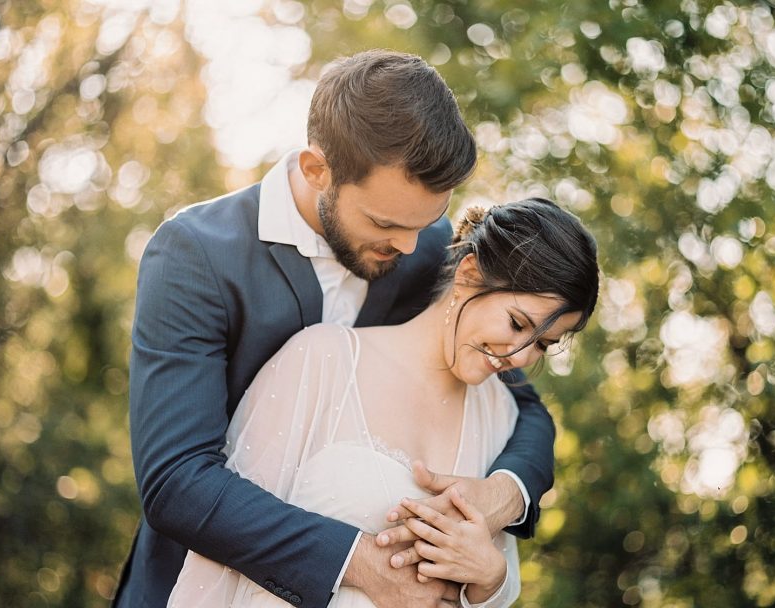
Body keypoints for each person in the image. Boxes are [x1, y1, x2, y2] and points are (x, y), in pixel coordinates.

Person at [115, 50, 557, 608]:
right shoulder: (195, 254)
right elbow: (177, 481)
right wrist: (359, 563)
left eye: (423, 224)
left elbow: (525, 408)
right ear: (315, 169)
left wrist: (501, 496)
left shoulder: (421, 250)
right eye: (385, 223)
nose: (407, 247)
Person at [166, 199, 600, 608]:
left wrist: (489, 579)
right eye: (517, 323)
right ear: (469, 272)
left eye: (543, 344)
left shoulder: (503, 416)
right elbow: (220, 553)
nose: (521, 357)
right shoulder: (323, 360)